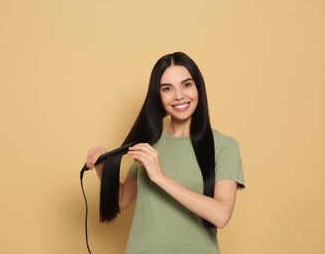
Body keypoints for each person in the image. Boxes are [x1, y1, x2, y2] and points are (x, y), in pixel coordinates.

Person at [85, 52, 245, 254]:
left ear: (198, 88)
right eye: (167, 88)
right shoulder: (149, 142)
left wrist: (160, 177)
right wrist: (102, 166)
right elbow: (123, 199)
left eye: (186, 84)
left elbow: (221, 215)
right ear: (157, 96)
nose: (178, 95)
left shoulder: (224, 146)